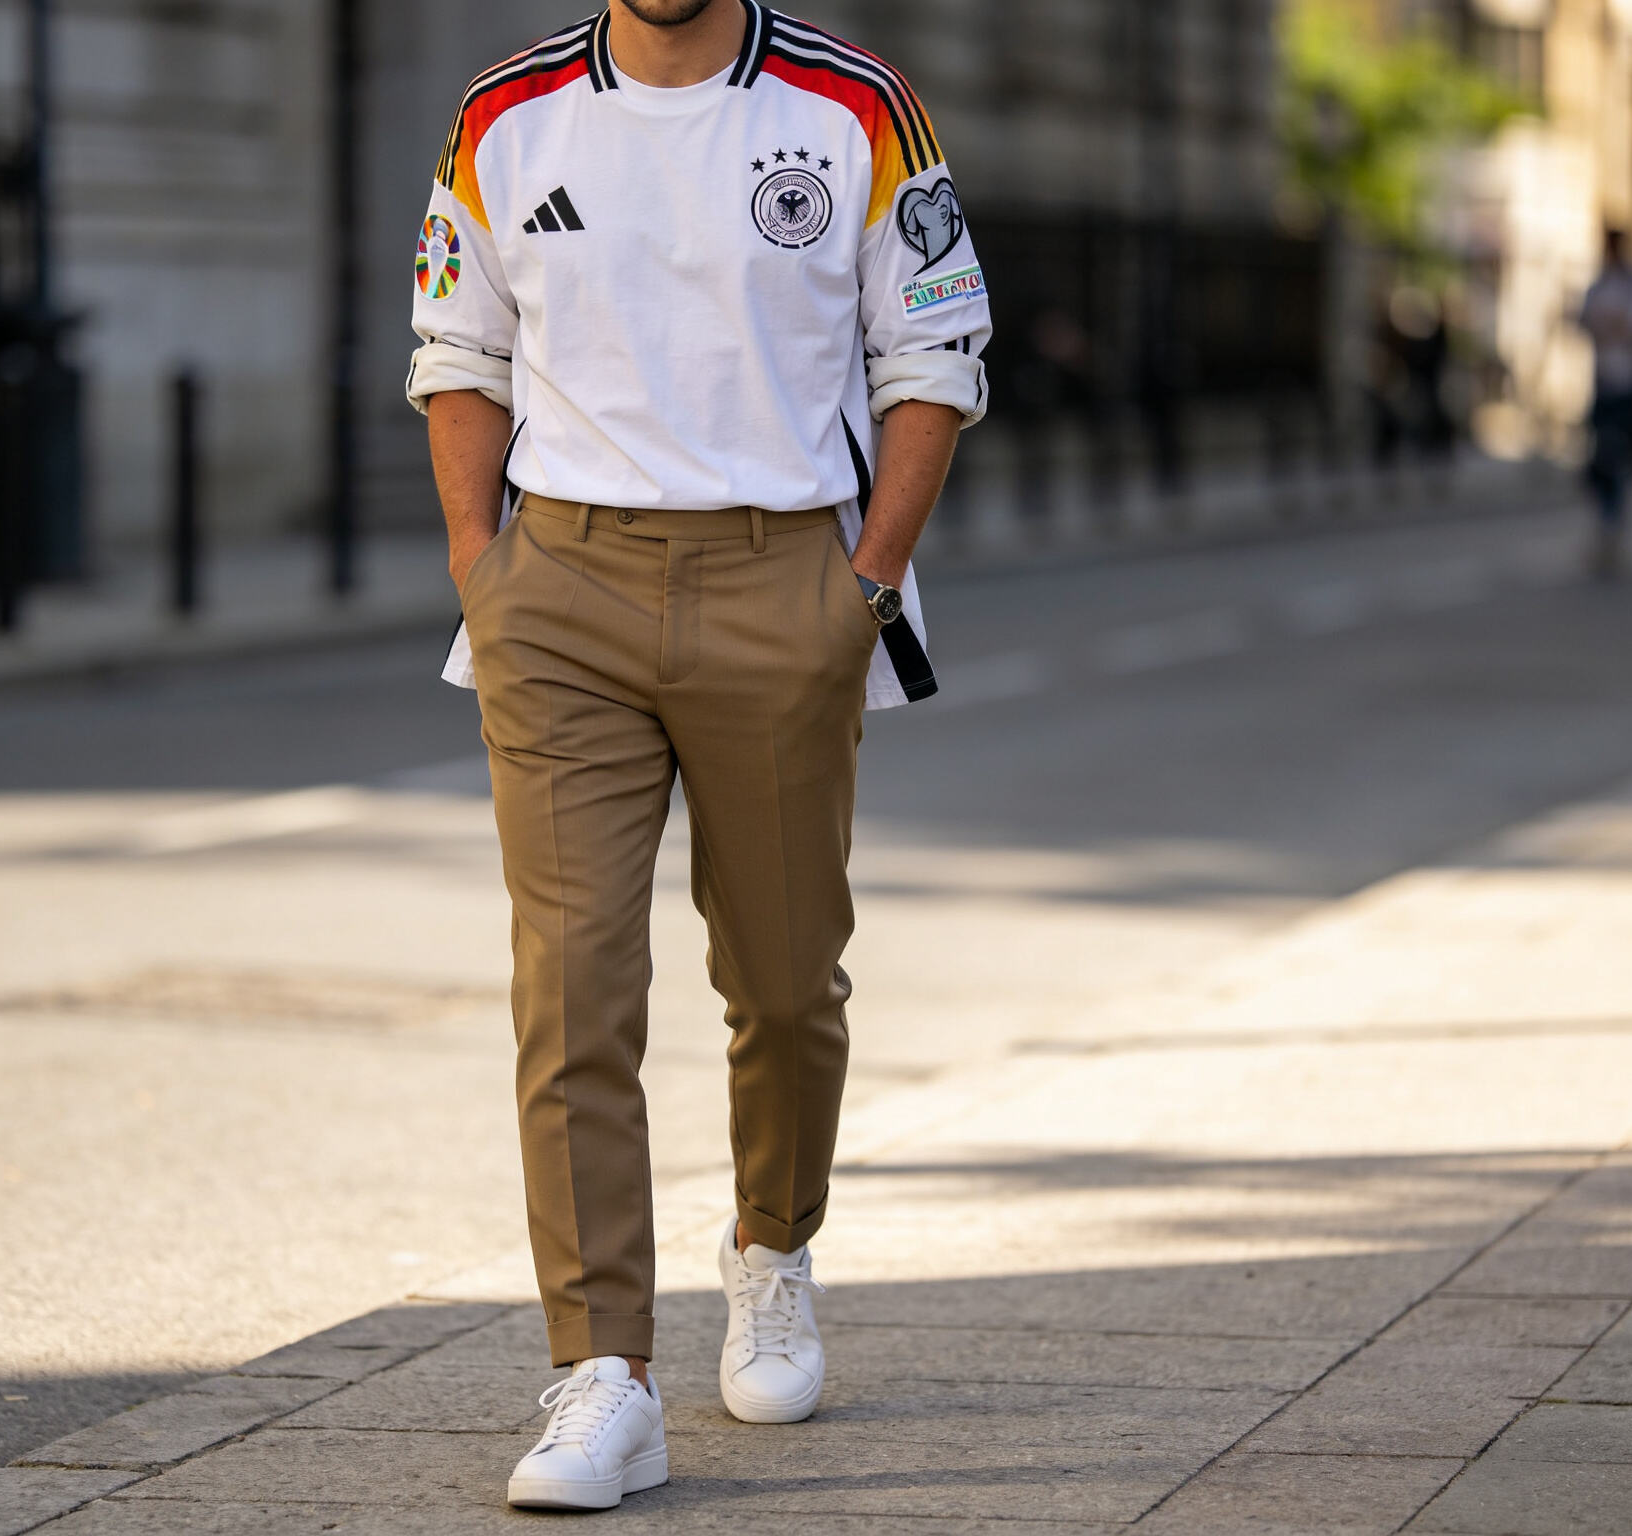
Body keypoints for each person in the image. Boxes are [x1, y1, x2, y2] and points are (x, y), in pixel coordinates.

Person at [406, 0, 989, 1512]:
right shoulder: (503, 113)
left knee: (786, 981)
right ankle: (605, 1376)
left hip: (783, 578)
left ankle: (773, 1248)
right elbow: (456, 344)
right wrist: (488, 569)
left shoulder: (856, 106)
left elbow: (933, 350)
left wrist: (860, 586)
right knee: (574, 977)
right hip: (565, 594)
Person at [1578, 228, 1632, 578]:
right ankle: (1607, 518)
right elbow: (1586, 322)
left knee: (1617, 455)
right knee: (1600, 458)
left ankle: (1613, 521)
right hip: (1603, 384)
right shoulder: (1599, 286)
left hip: (1631, 386)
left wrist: (1619, 327)